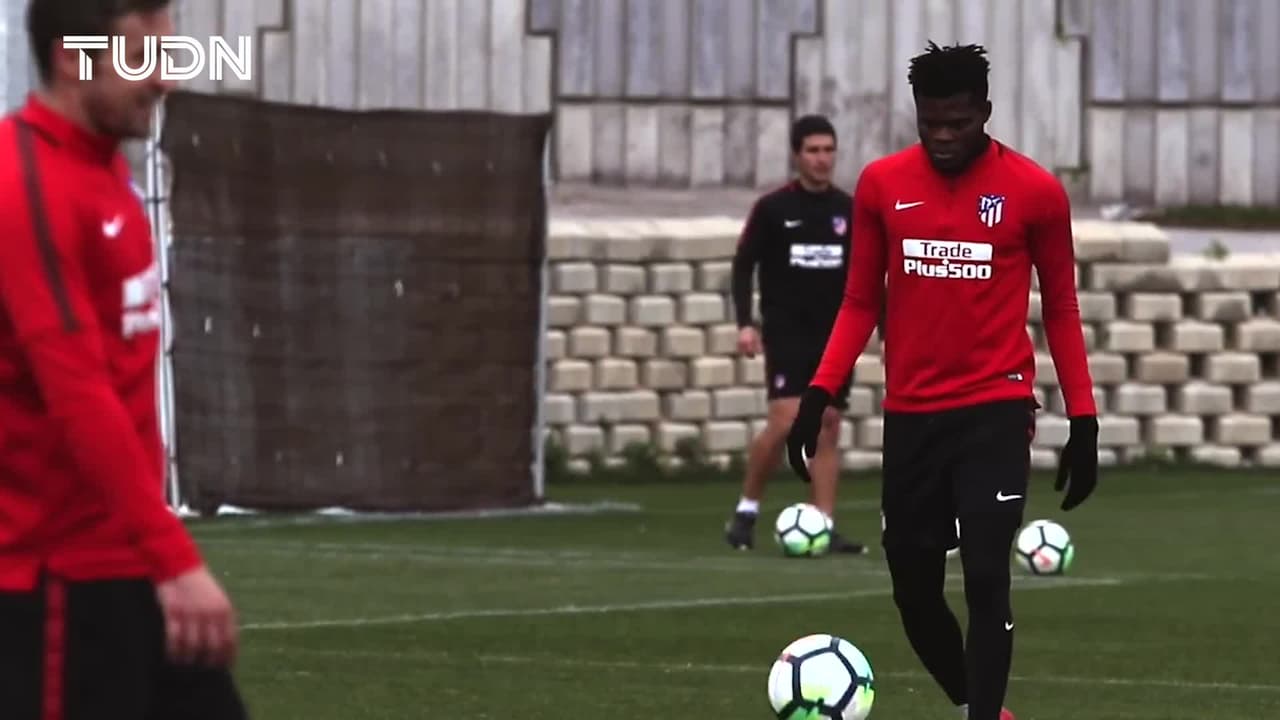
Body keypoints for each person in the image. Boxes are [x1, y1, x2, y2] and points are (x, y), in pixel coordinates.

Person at [785, 43, 1100, 720]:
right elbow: (860, 301)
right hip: (912, 417)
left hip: (995, 410)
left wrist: (1084, 418)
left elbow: (1062, 307)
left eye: (958, 123)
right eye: (931, 123)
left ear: (984, 111)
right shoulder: (882, 184)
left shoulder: (1035, 192)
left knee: (986, 577)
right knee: (914, 591)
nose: (944, 136)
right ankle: (974, 704)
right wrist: (818, 394)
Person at [0, 1, 248, 718]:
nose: (166, 79)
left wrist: (156, 551)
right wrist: (176, 561)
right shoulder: (26, 187)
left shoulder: (106, 174)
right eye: (143, 59)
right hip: (60, 589)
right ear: (73, 57)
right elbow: (78, 392)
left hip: (131, 561)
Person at [723, 114, 867, 555]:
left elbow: (868, 272)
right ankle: (747, 510)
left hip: (835, 336)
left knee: (827, 425)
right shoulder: (774, 209)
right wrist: (745, 323)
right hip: (786, 332)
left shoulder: (850, 210)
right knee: (787, 422)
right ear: (796, 156)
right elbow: (743, 265)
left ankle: (822, 524)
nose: (822, 159)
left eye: (828, 150)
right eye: (813, 151)